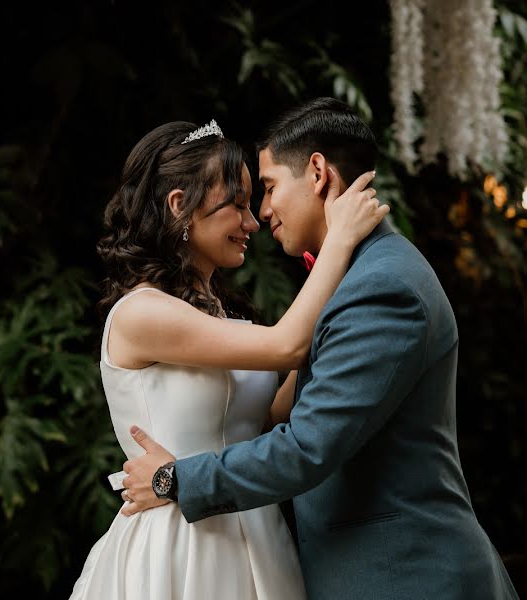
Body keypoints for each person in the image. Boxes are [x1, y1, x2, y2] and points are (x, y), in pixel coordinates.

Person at [119, 98, 519, 599]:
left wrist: (174, 480)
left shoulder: (381, 288)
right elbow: (280, 394)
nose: (262, 214)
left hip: (405, 578)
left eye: (266, 190)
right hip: (221, 556)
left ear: (316, 173)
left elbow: (306, 445)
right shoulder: (360, 279)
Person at [69, 114, 387, 599]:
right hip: (181, 542)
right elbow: (288, 346)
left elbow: (274, 417)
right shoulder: (142, 313)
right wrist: (338, 240)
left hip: (256, 535)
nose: (253, 222)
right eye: (236, 206)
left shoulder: (226, 316)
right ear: (180, 206)